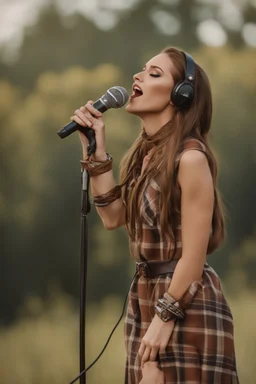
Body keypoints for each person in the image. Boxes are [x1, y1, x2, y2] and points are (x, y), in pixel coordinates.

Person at [71, 47, 239, 384]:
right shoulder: (146, 159)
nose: (137, 76)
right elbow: (112, 217)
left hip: (183, 301)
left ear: (182, 94)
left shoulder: (190, 160)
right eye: (142, 69)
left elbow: (194, 254)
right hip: (146, 298)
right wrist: (95, 150)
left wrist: (165, 317)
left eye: (154, 73)